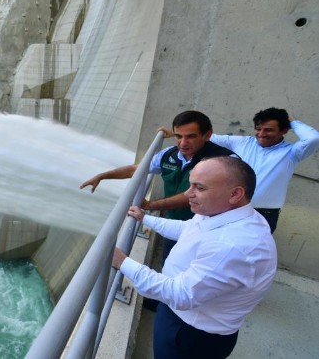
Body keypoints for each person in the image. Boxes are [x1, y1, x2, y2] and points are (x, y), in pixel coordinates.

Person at [112, 156, 277, 359]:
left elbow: (182, 294)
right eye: (190, 185)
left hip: (190, 335)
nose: (188, 194)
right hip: (182, 318)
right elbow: (188, 228)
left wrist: (122, 262)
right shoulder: (223, 212)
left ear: (235, 194)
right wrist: (145, 218)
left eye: (199, 187)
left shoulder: (231, 246)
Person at [81, 110, 236, 263]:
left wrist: (150, 205)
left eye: (191, 136)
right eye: (178, 136)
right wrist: (103, 176)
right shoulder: (169, 154)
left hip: (209, 230)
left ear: (207, 135)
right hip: (173, 225)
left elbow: (190, 196)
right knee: (169, 267)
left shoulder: (223, 162)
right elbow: (137, 169)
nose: (183, 143)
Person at [208, 108, 319, 233]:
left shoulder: (292, 152)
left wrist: (292, 121)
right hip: (231, 209)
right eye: (258, 128)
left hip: (264, 215)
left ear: (284, 130)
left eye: (268, 130)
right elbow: (206, 137)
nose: (261, 133)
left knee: (252, 252)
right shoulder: (242, 142)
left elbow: (313, 138)